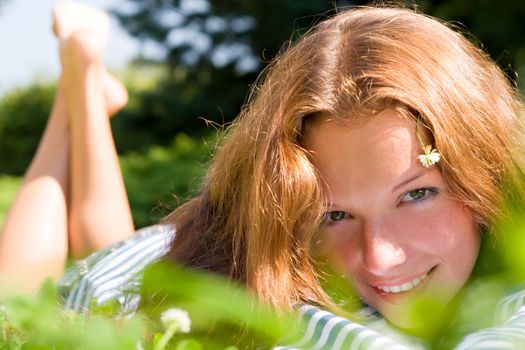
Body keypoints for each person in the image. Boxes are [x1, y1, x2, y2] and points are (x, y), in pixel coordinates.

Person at [1, 1, 525, 348]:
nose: (379, 257)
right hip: (127, 272)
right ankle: (75, 92)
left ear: (484, 165)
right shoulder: (314, 323)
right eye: (335, 214)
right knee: (16, 288)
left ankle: (82, 90)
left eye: (416, 195)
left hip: (173, 258)